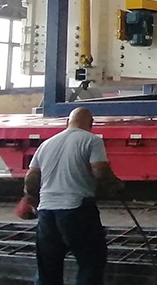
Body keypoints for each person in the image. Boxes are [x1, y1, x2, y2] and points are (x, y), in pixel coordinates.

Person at [23, 107, 124, 285]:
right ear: (91, 124)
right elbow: (100, 170)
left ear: (67, 122)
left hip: (46, 213)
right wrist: (116, 186)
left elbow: (31, 178)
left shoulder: (46, 144)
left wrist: (32, 201)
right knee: (90, 263)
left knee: (48, 269)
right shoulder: (91, 140)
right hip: (76, 210)